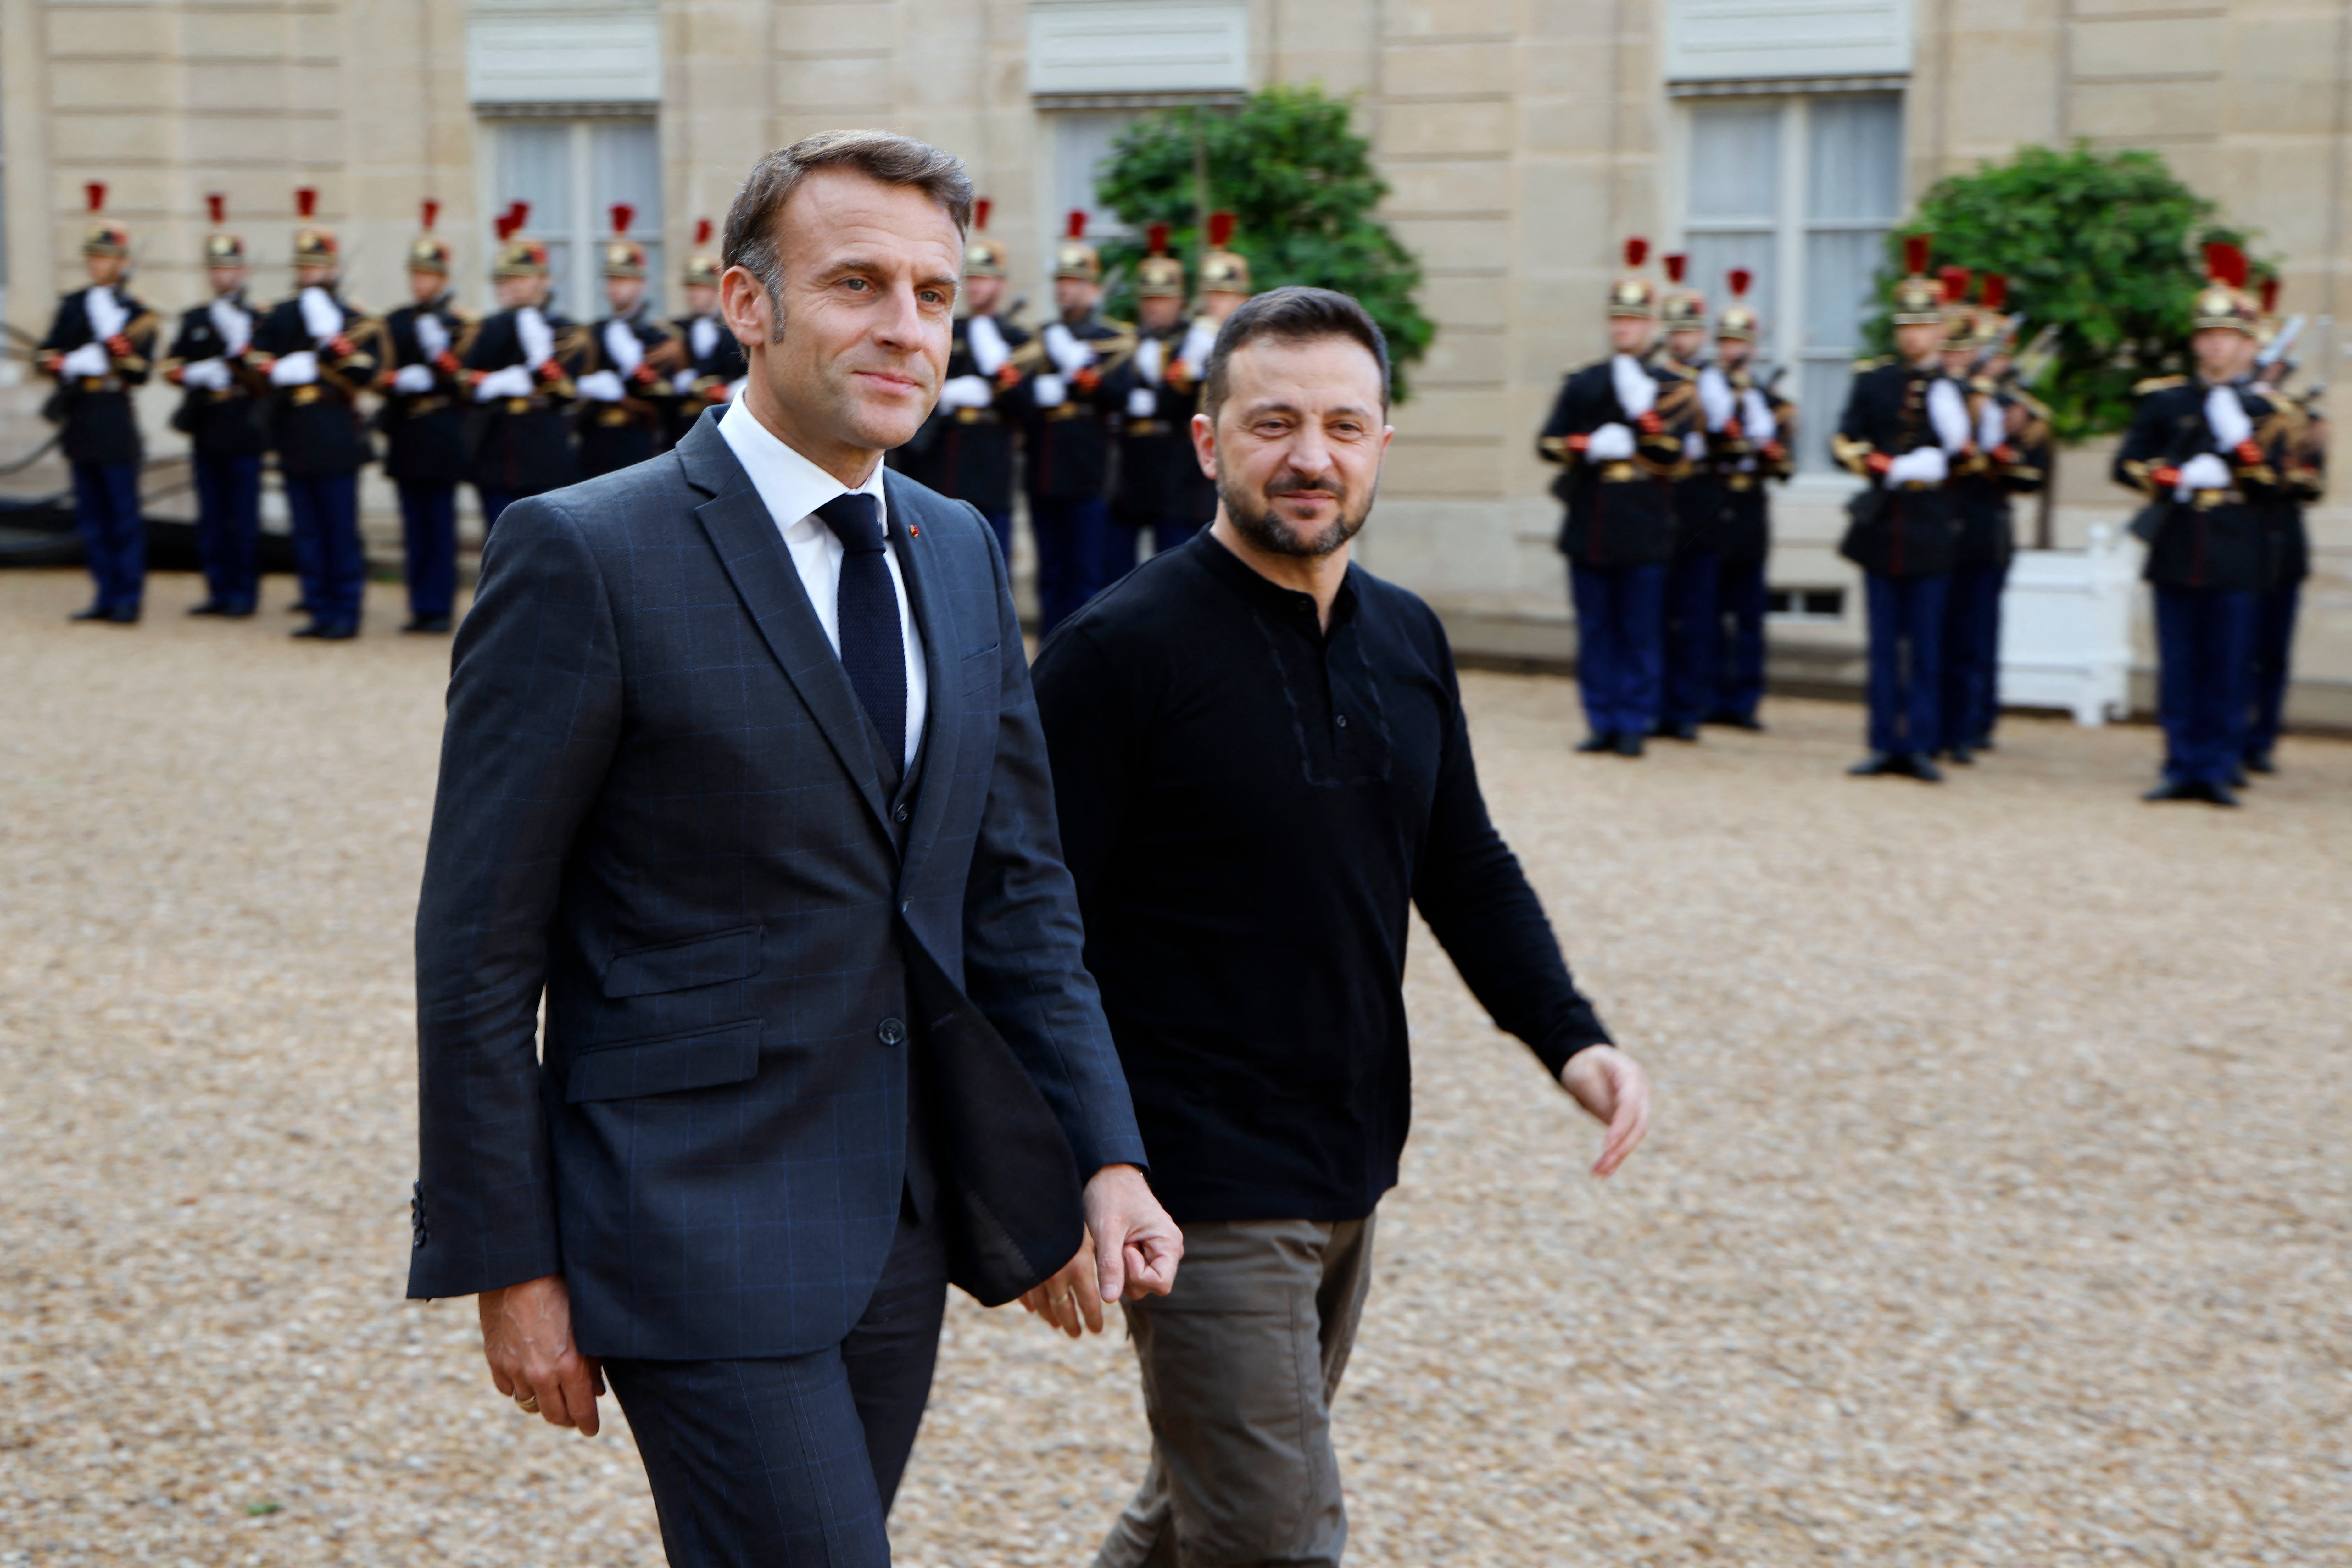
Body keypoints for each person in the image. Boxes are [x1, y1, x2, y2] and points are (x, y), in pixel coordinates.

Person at [406, 131, 1181, 1565]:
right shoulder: (584, 552)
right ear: (747, 304)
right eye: (857, 283)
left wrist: (1106, 1150)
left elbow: (1017, 896)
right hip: (678, 1210)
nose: (905, 327)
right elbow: (476, 948)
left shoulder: (953, 547)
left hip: (899, 1215)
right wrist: (505, 1259)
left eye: (935, 294)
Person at [1028, 286, 1652, 1568]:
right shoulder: (1116, 654)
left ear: (1380, 443)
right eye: (1273, 424)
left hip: (1353, 1150)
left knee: (1191, 1510)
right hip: (1191, 1178)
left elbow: (1461, 861)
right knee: (1276, 1537)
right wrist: (1069, 1166)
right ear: (1208, 444)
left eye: (1344, 426)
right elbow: (1027, 927)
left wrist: (1569, 1036)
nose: (1311, 457)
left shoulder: (1409, 636)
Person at [2113, 244, 2285, 806]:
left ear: (2247, 344)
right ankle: (2178, 763)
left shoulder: (2268, 411)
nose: (2216, 344)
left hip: (2237, 546)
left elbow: (2273, 486)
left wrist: (2239, 444)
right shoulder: (2165, 401)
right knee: (2178, 664)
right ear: (2195, 342)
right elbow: (2127, 462)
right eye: (2206, 335)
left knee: (2227, 664)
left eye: (2227, 336)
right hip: (2177, 540)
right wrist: (2173, 478)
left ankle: (2215, 767)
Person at [1537, 237, 1684, 757]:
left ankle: (1633, 721)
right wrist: (1588, 444)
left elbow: (1677, 454)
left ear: (1649, 326)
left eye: (1634, 320)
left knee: (1640, 631)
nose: (1623, 328)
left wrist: (1644, 431)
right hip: (1592, 520)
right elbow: (1549, 441)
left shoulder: (1672, 385)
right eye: (1617, 320)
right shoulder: (1585, 382)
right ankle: (1600, 719)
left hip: (1644, 521)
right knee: (1596, 630)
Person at [1832, 236, 1966, 781]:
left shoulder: (1956, 390)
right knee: (1884, 645)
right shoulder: (1874, 381)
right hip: (1883, 523)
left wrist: (1945, 460)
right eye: (1905, 326)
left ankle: (1922, 742)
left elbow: (1971, 458)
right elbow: (1844, 439)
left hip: (1932, 524)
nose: (1913, 335)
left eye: (1923, 326)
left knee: (1928, 644)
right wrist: (1878, 465)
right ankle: (1884, 739)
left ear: (1939, 330)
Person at [254, 188, 379, 640]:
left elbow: (367, 370)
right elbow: (254, 361)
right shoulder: (283, 316)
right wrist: (279, 368)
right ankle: (319, 605)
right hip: (294, 431)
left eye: (318, 266)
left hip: (334, 430)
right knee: (306, 529)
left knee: (339, 527)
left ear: (334, 269)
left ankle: (346, 611)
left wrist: (330, 346)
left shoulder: (351, 319)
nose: (311, 274)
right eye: (304, 267)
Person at [37, 183, 161, 626]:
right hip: (80, 416)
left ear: (123, 263)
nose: (96, 264)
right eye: (92, 257)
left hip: (112, 415)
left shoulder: (137, 314)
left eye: (105, 257)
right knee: (91, 516)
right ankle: (105, 594)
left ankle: (128, 597)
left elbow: (140, 371)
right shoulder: (73, 305)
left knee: (121, 515)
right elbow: (44, 354)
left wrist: (112, 343)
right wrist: (70, 362)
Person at [1937, 273, 2048, 763]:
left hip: (1983, 525)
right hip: (1933, 521)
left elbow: (2029, 477)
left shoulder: (2020, 411)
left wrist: (2003, 446)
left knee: (1973, 634)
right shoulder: (1938, 396)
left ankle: (1970, 724)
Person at [1006, 212, 1131, 633]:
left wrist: (1082, 375)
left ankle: (1084, 652)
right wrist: (1036, 395)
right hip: (1044, 469)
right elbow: (1018, 400)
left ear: (1093, 289)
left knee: (1085, 575)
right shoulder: (1040, 340)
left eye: (1075, 282)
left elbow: (1121, 395)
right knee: (1050, 574)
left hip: (1087, 470)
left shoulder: (1109, 339)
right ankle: (1048, 648)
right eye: (1061, 282)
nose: (1066, 290)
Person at [888, 197, 1028, 562]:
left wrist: (1000, 376)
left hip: (989, 460)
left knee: (988, 555)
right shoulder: (945, 327)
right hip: (938, 456)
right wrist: (946, 395)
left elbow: (1025, 406)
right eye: (973, 278)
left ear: (1002, 283)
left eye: (987, 278)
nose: (979, 287)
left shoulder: (1016, 339)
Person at [162, 195, 268, 619]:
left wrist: (244, 359)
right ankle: (218, 588)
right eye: (215, 268)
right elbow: (171, 365)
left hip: (243, 421)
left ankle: (244, 592)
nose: (221, 275)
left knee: (242, 515)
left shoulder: (259, 318)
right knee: (212, 514)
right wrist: (197, 373)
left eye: (228, 267)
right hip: (208, 421)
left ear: (242, 271)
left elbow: (266, 369)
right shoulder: (195, 318)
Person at [377, 202, 473, 634]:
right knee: (413, 526)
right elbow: (379, 373)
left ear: (442, 278)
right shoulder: (395, 321)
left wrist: (441, 357)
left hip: (440, 429)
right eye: (416, 274)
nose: (421, 282)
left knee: (439, 525)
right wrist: (398, 379)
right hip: (407, 430)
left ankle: (439, 607)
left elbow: (464, 380)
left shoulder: (459, 325)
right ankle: (419, 603)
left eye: (428, 275)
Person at [1102, 224, 1219, 573]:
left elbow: (1192, 401)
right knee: (1117, 567)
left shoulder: (1195, 343)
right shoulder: (1128, 342)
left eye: (1162, 300)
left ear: (1179, 301)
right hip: (1132, 467)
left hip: (1176, 469)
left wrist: (1182, 378)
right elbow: (1109, 389)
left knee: (1175, 563)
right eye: (1148, 300)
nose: (1154, 308)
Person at [1706, 268, 1792, 730]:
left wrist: (1772, 445)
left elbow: (1783, 466)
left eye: (1740, 343)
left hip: (1749, 508)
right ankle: (1707, 694)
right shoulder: (1704, 389)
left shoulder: (1766, 398)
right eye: (1725, 342)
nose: (1732, 350)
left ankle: (1744, 699)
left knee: (1748, 612)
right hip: (1712, 503)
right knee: (1706, 610)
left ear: (1753, 347)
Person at [2244, 285, 2325, 776]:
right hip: (2237, 538)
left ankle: (2263, 737)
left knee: (2271, 650)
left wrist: (2303, 460)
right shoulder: (2232, 406)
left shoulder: (2303, 417)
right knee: (2234, 647)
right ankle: (2228, 734)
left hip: (2282, 541)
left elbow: (2311, 489)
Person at [462, 218, 588, 531]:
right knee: (499, 541)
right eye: (509, 278)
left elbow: (565, 391)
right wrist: (493, 383)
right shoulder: (489, 328)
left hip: (546, 447)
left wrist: (531, 370)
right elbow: (466, 382)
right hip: (497, 448)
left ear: (544, 280)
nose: (515, 285)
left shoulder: (566, 331)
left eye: (524, 277)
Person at [1653, 254, 1719, 742]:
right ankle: (1653, 704)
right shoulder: (1653, 378)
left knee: (1695, 610)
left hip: (1699, 494)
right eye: (1675, 331)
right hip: (1659, 493)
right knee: (1654, 608)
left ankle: (1686, 705)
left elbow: (1726, 428)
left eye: (1690, 332)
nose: (1682, 340)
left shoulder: (1710, 380)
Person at [577, 204, 682, 480]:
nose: (615, 286)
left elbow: (666, 397)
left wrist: (630, 377)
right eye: (611, 279)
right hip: (595, 443)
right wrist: (587, 387)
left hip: (638, 440)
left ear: (640, 285)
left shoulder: (659, 339)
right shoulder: (592, 333)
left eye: (624, 279)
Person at [667, 221, 747, 446]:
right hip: (681, 424)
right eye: (691, 287)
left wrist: (731, 390)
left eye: (701, 287)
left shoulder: (736, 329)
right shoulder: (675, 330)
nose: (694, 294)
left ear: (717, 290)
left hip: (724, 419)